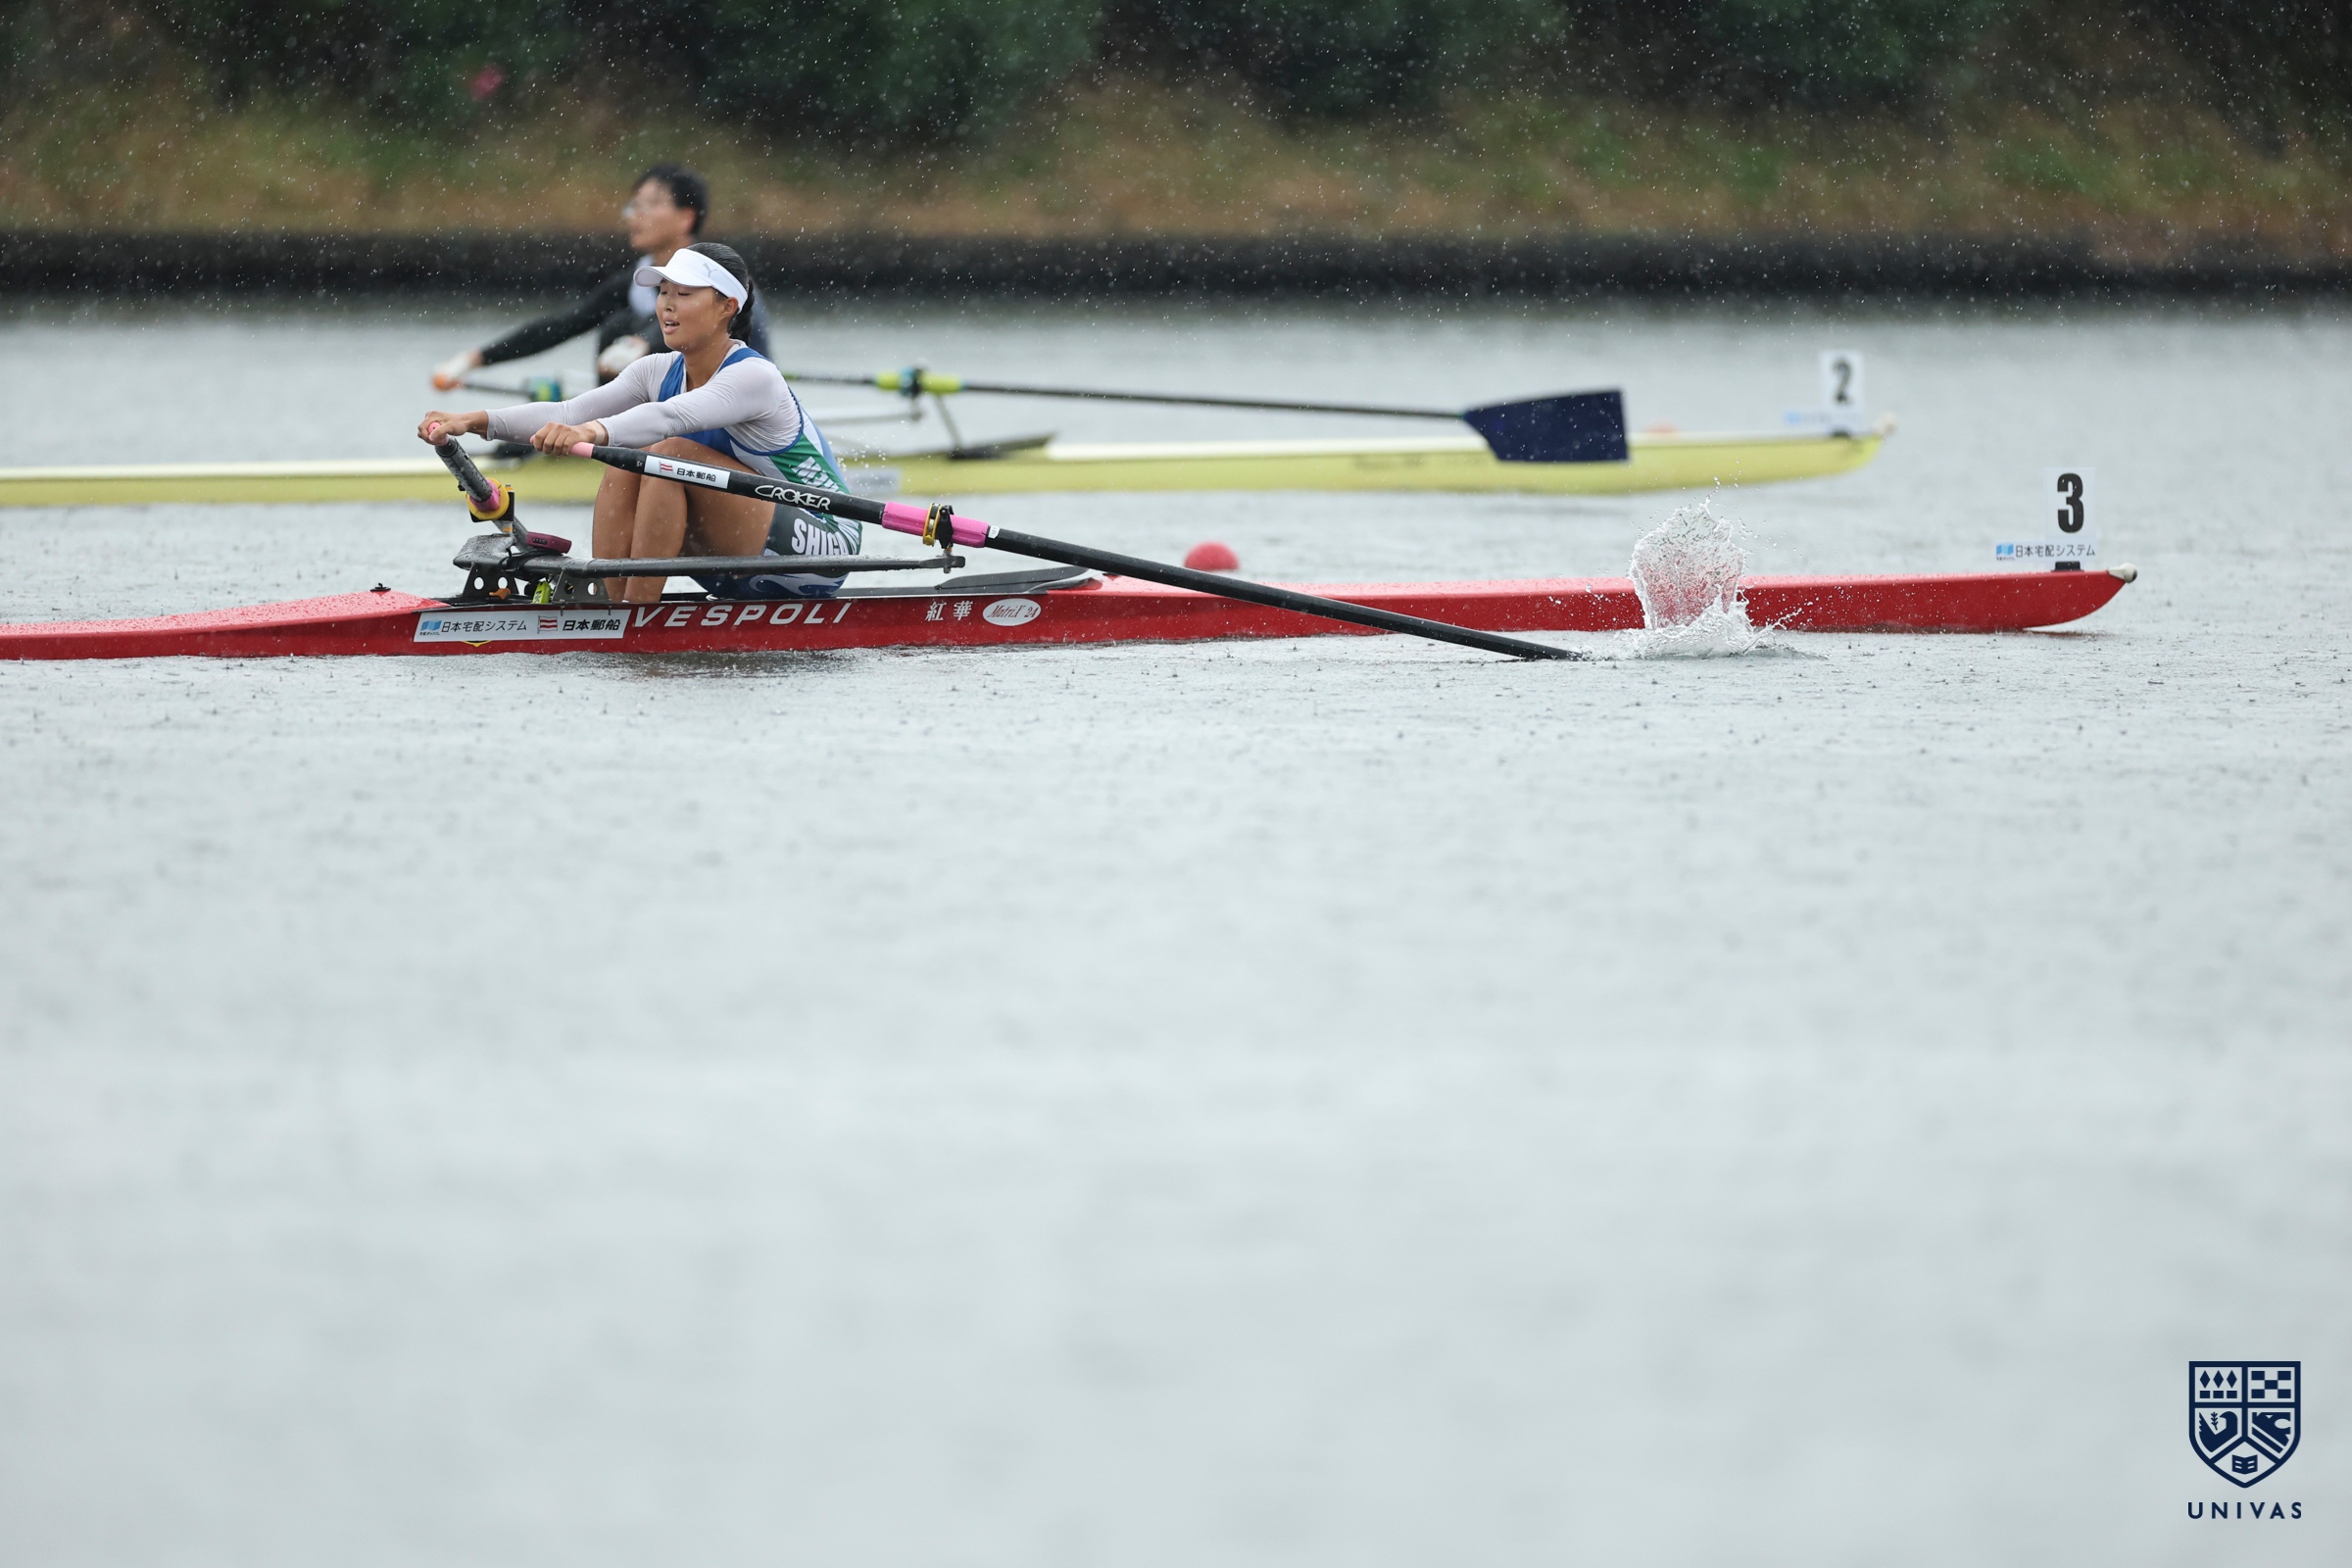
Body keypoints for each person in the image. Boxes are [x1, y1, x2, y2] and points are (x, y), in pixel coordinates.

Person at [416, 243, 852, 606]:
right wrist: (471, 420)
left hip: (821, 545)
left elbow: (670, 417)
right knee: (633, 459)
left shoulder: (755, 376)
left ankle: (634, 616)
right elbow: (568, 413)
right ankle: (615, 602)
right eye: (664, 292)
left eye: (685, 293)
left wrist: (590, 433)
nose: (667, 304)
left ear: (727, 306)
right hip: (747, 550)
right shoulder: (655, 370)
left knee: (667, 454)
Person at [429, 165, 771, 391]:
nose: (635, 216)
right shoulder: (638, 279)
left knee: (624, 329)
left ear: (685, 218)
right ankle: (610, 440)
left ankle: (615, 439)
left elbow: (692, 324)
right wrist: (476, 359)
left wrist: (641, 344)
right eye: (633, 206)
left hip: (733, 393)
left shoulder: (719, 274)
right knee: (615, 325)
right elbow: (565, 324)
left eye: (650, 205)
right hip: (678, 402)